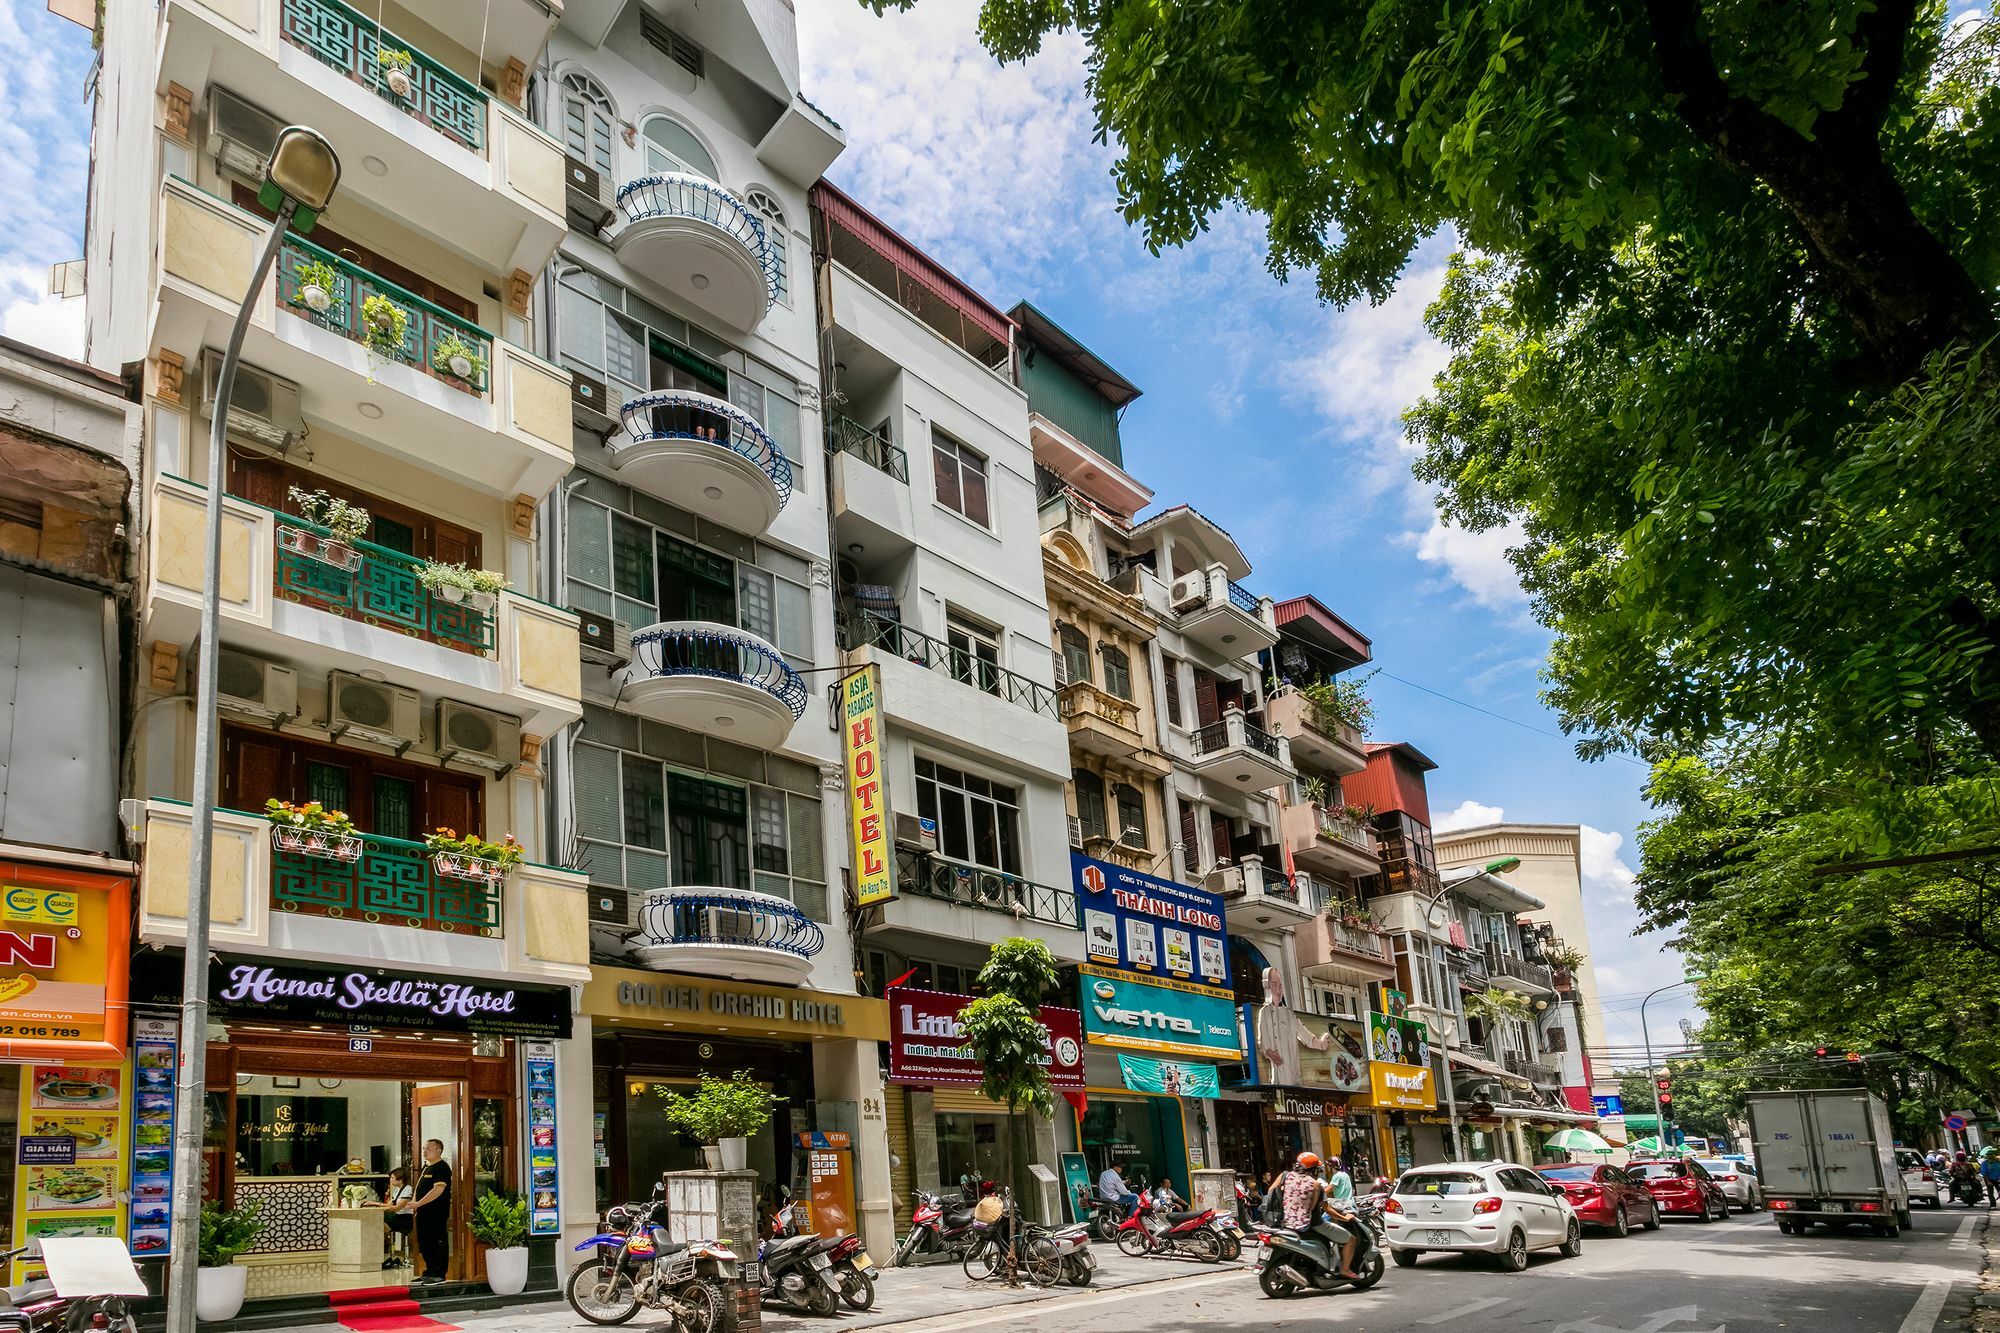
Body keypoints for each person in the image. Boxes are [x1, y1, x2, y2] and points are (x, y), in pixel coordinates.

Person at [404, 1139, 453, 1284]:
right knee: (425, 1243)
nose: (424, 1151)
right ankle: (429, 1271)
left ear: (439, 1150)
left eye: (428, 1149)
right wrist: (415, 1204)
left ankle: (439, 1274)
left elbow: (438, 1189)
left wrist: (418, 1203)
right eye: (424, 1148)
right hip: (423, 1212)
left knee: (436, 1242)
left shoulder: (441, 1168)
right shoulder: (427, 1167)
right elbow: (419, 1188)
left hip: (436, 1213)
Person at [366, 1166, 415, 1270]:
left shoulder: (408, 1190)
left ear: (400, 1179)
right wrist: (375, 1205)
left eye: (392, 1178)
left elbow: (397, 1207)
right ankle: (376, 1256)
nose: (391, 1180)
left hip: (406, 1218)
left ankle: (377, 1255)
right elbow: (388, 1204)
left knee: (380, 1228)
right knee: (376, 1224)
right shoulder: (397, 1190)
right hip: (397, 1216)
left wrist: (376, 1203)